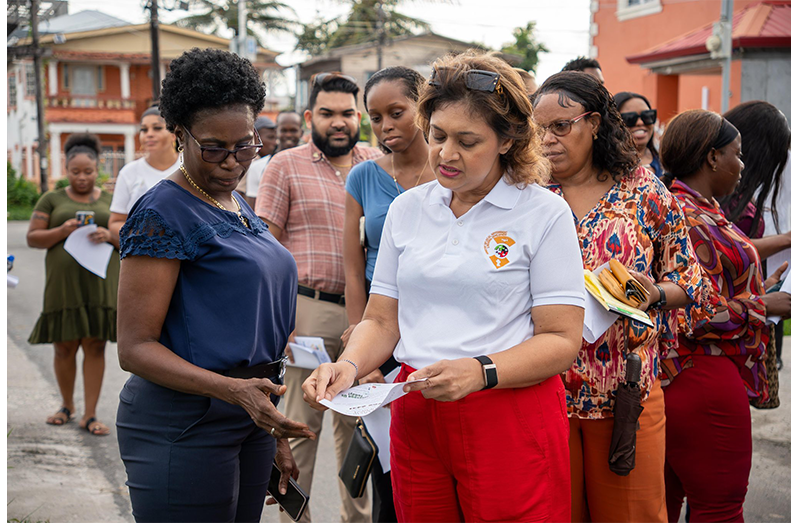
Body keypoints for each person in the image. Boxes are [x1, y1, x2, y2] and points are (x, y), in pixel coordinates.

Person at [303, 51, 587, 522]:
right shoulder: (409, 209)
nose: (446, 154)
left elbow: (561, 340)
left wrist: (480, 372)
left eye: (467, 141)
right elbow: (381, 319)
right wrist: (349, 366)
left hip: (507, 412)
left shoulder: (544, 213)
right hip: (417, 410)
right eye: (437, 135)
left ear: (507, 140)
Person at [115, 48, 315, 523]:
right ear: (180, 134)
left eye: (245, 145)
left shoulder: (237, 203)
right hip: (183, 425)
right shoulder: (161, 214)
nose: (232, 161)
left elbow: (254, 342)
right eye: (214, 148)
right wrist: (234, 392)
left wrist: (272, 432)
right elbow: (134, 347)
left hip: (247, 418)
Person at [531, 71, 705, 523]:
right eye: (538, 129)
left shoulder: (643, 190)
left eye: (561, 126)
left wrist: (655, 294)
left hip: (626, 393)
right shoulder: (525, 195)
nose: (548, 140)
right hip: (541, 390)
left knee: (633, 516)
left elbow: (690, 280)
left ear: (594, 123)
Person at [255, 71, 381, 523]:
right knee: (299, 423)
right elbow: (264, 248)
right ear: (311, 117)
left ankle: (358, 519)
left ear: (359, 118)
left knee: (357, 428)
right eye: (327, 113)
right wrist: (277, 320)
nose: (338, 122)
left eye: (348, 113)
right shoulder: (284, 165)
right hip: (302, 313)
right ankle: (297, 519)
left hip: (366, 317)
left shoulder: (376, 164)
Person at [659, 109, 791, 523]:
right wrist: (763, 306)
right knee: (719, 507)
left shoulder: (696, 208)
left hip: (687, 375)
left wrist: (756, 290)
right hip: (700, 376)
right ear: (712, 158)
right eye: (737, 154)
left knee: (667, 502)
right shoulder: (690, 218)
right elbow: (691, 312)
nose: (743, 165)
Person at [343, 65, 435, 523]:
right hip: (382, 331)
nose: (385, 127)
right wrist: (365, 356)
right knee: (388, 477)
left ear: (425, 106)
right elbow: (353, 266)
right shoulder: (362, 177)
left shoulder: (453, 169)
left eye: (397, 112)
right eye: (375, 118)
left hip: (434, 332)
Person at [27, 133, 120, 436]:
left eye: (88, 172)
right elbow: (32, 238)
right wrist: (62, 230)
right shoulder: (52, 199)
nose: (82, 177)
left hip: (100, 283)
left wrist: (108, 235)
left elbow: (129, 239)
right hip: (63, 285)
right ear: (66, 170)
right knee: (64, 346)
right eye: (75, 172)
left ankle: (90, 415)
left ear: (98, 170)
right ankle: (66, 406)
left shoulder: (111, 201)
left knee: (95, 345)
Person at [721, 101, 792, 369]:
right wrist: (762, 303)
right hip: (722, 324)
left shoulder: (733, 190)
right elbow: (726, 250)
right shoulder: (717, 195)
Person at [108, 105, 181, 244]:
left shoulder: (189, 167)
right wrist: (143, 235)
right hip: (144, 255)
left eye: (157, 128)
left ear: (174, 133)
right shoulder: (129, 172)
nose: (149, 134)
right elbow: (115, 222)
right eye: (144, 129)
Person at [613, 91, 662, 178]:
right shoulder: (603, 169)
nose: (640, 122)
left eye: (647, 116)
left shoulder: (667, 162)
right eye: (630, 118)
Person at [239, 116, 278, 207]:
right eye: (270, 137)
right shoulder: (248, 162)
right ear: (256, 139)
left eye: (275, 138)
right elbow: (238, 194)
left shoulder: (267, 161)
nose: (275, 143)